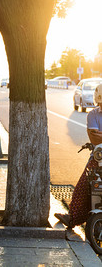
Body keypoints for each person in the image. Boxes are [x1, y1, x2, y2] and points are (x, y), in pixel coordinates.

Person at [55, 83, 102, 228]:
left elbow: (98, 136)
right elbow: (94, 138)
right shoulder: (93, 114)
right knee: (84, 185)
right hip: (98, 156)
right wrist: (97, 136)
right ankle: (73, 217)